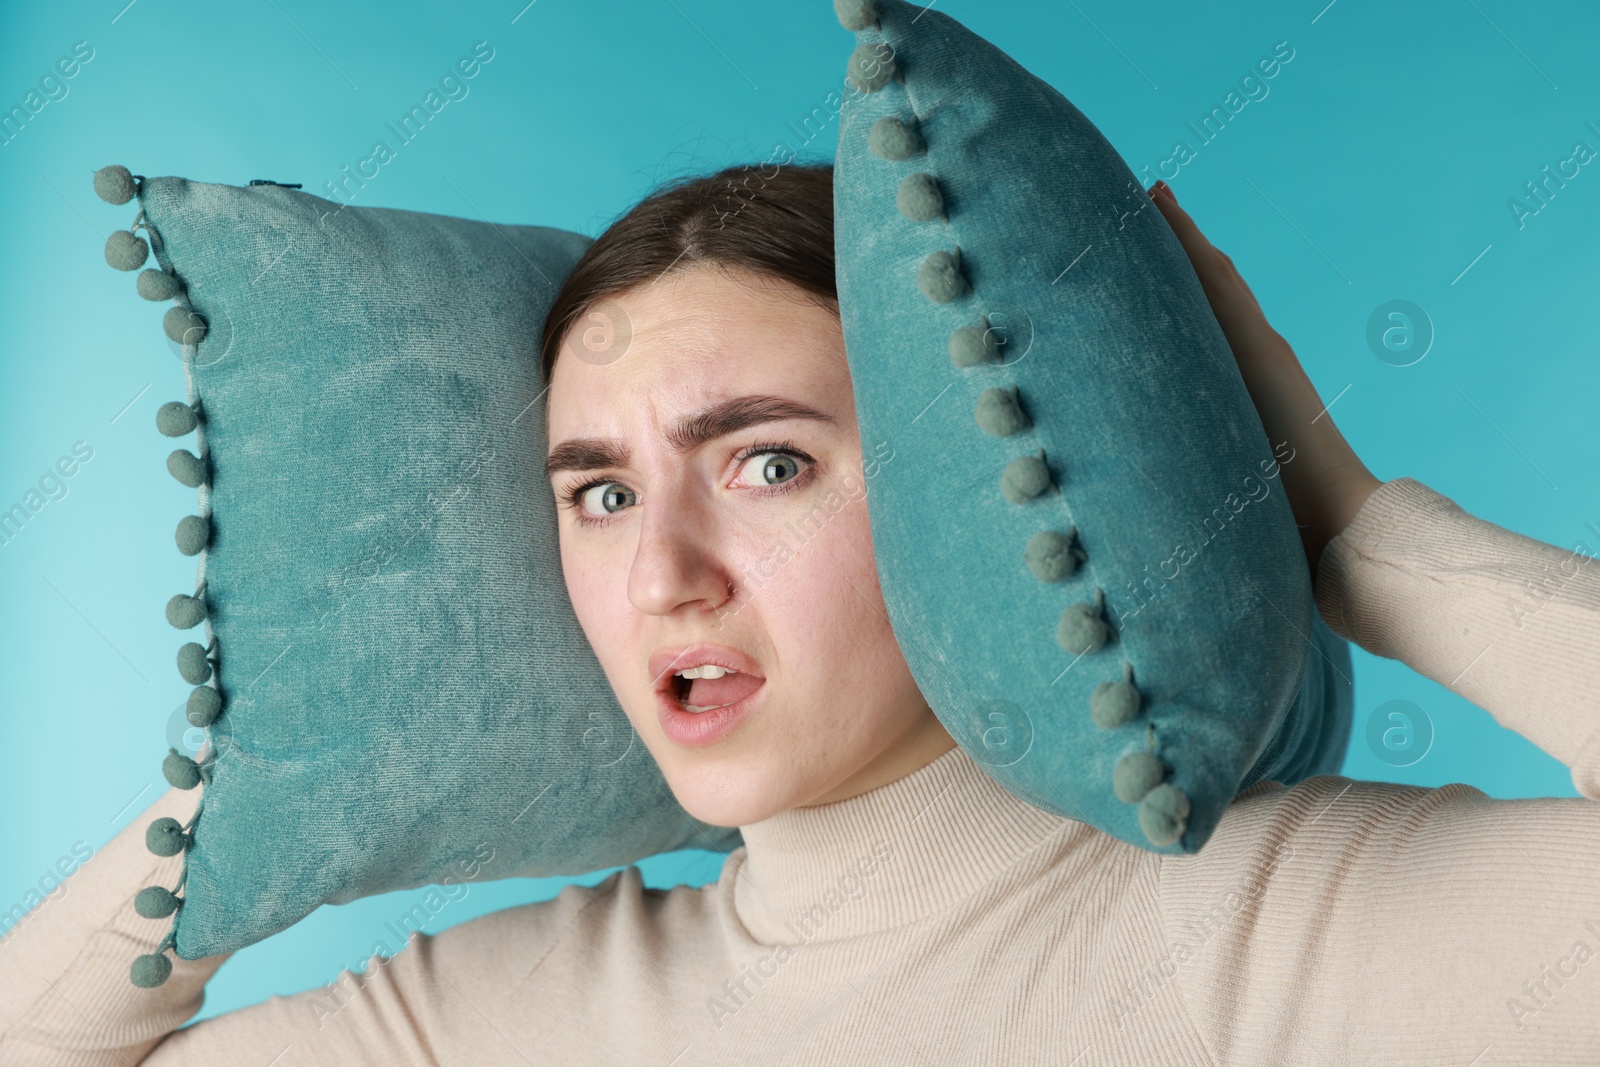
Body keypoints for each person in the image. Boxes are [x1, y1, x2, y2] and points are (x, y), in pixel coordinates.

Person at [4, 161, 1599, 1065]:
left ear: (962, 494)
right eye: (601, 493)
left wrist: (1351, 528)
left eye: (767, 462)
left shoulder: (1300, 931)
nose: (663, 576)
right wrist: (262, 785)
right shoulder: (505, 1017)